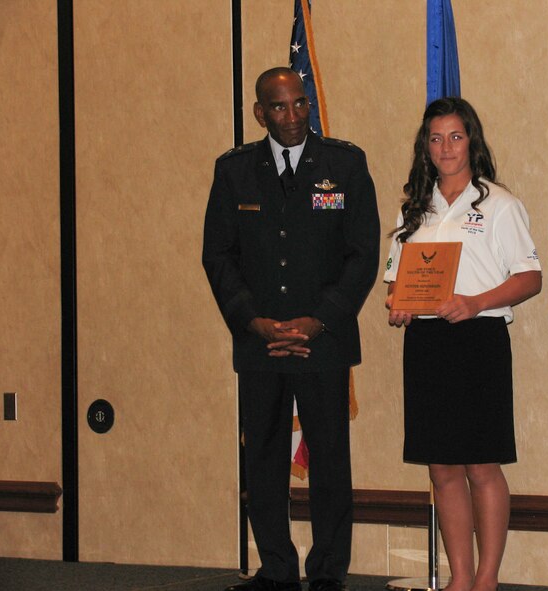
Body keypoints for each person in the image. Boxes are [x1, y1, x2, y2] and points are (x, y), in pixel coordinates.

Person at [203, 67, 380, 591]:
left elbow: (363, 254)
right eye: (279, 107)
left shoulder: (345, 164)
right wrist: (251, 319)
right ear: (261, 113)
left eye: (300, 104)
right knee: (263, 459)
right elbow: (218, 255)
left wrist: (319, 319)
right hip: (260, 345)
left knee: (330, 462)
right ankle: (276, 569)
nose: (293, 116)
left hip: (322, 343)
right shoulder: (234, 171)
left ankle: (327, 573)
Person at [384, 97, 541, 591]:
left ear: (471, 140)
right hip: (427, 345)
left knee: (481, 464)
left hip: (479, 341)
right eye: (435, 138)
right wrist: (401, 303)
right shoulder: (414, 208)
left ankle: (487, 578)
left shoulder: (500, 204)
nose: (445, 147)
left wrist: (475, 303)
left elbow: (530, 277)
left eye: (455, 136)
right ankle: (460, 577)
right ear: (424, 147)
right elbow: (395, 282)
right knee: (442, 467)